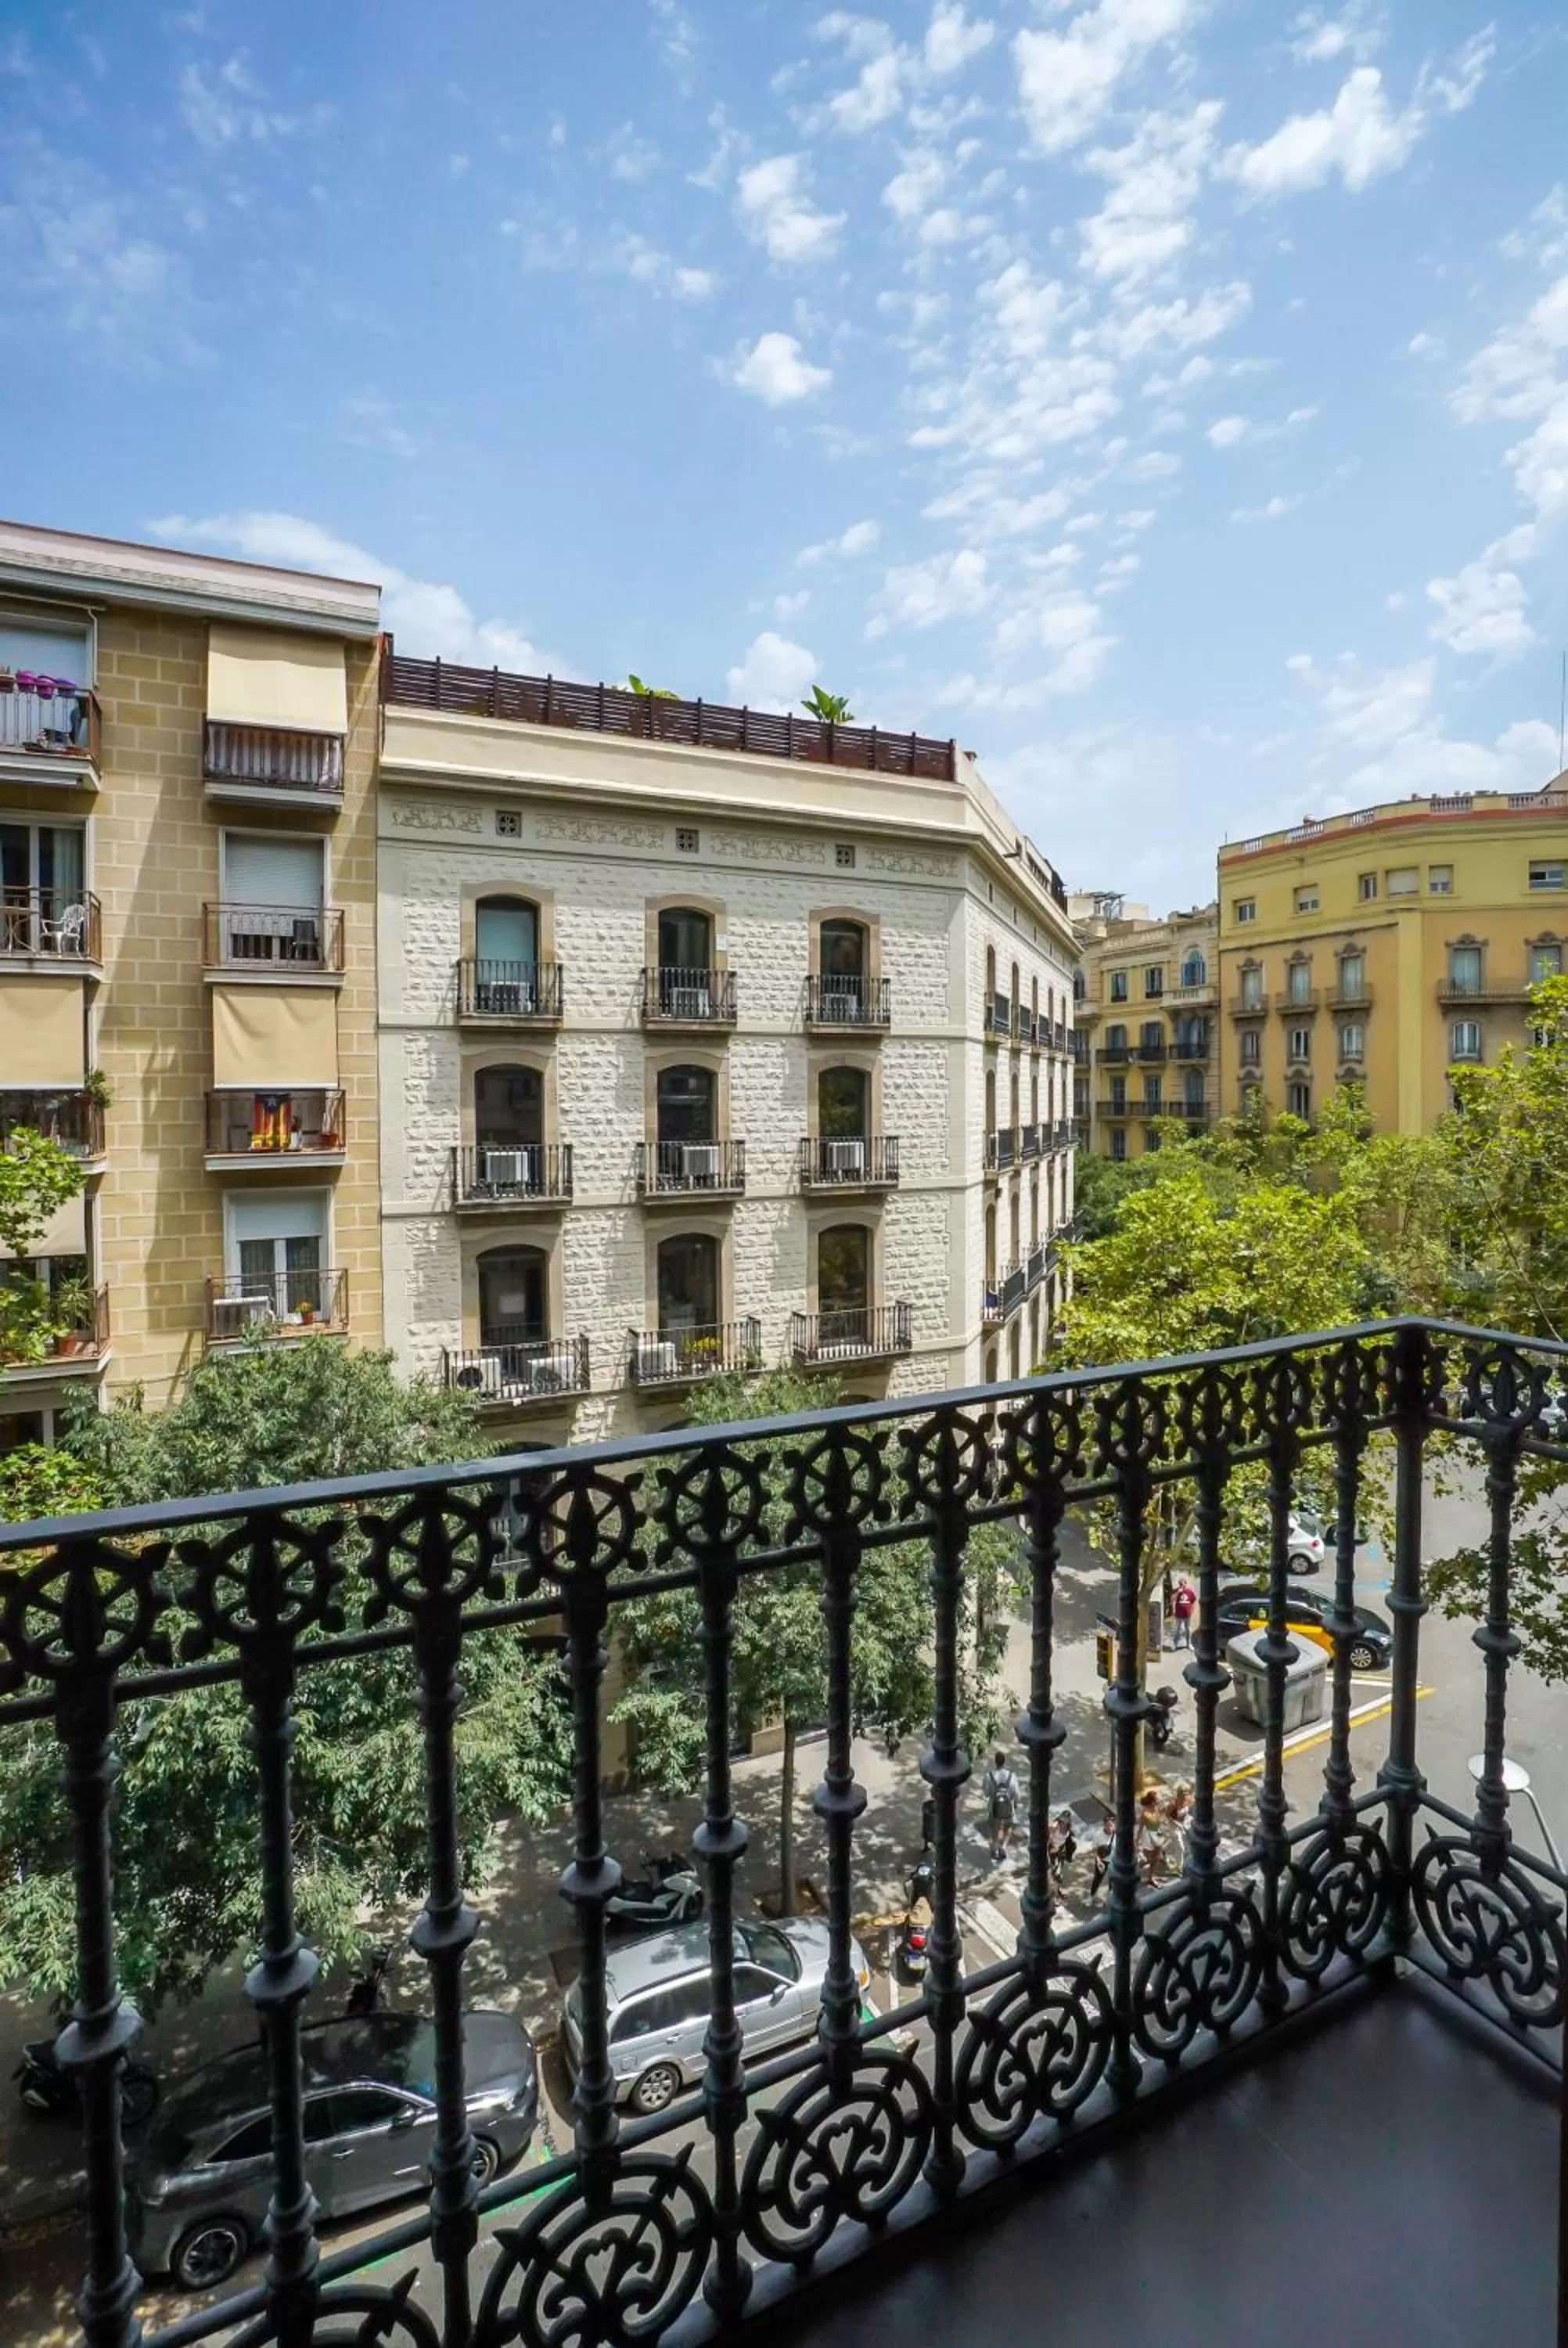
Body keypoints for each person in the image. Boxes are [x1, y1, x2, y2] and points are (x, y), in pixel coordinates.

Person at [981, 1749, 1020, 1864]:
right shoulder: (1012, 1776)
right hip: (1009, 1807)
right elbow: (1016, 1793)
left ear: (995, 1762)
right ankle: (1003, 1846)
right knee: (1008, 1826)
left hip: (994, 1808)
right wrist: (1016, 1803)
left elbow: (986, 1793)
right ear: (1004, 1762)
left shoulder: (989, 1776)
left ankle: (995, 1849)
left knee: (995, 1828)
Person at [1171, 1575, 1196, 1650]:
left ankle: (1189, 1644)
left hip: (1187, 1615)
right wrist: (1178, 1592)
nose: (1181, 1585)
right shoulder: (1177, 1591)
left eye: (1183, 1584)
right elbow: (1172, 1599)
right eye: (1180, 1584)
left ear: (1186, 1583)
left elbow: (1194, 1601)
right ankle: (1175, 1644)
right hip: (1179, 1614)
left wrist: (1192, 1610)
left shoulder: (1189, 1592)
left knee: (1188, 1629)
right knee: (1177, 1629)